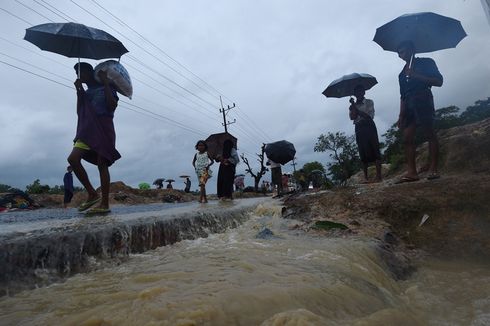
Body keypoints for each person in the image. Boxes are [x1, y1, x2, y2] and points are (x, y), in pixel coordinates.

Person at [67, 62, 120, 214]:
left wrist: (105, 82)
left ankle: (104, 203)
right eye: (77, 73)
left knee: (102, 164)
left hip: (104, 127)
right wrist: (78, 91)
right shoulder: (86, 92)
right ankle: (92, 193)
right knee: (73, 159)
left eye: (81, 72)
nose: (79, 75)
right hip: (87, 129)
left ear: (90, 72)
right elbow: (80, 112)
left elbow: (112, 106)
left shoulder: (107, 87)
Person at [396, 41, 443, 183]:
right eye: (398, 53)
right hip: (409, 105)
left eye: (403, 51)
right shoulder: (401, 74)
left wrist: (416, 75)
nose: (400, 55)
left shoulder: (427, 63)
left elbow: (439, 81)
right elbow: (403, 95)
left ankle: (433, 168)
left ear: (412, 50)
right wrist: (401, 115)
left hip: (423, 99)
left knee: (429, 133)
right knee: (407, 138)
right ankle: (412, 172)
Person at [349, 85, 382, 183]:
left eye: (360, 91)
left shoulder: (369, 102)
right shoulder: (352, 106)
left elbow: (369, 116)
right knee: (362, 151)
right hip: (359, 128)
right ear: (355, 94)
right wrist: (353, 107)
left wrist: (356, 108)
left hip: (369, 126)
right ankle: (365, 178)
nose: (358, 93)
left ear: (364, 92)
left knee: (375, 149)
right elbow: (352, 118)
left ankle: (379, 176)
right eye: (357, 92)